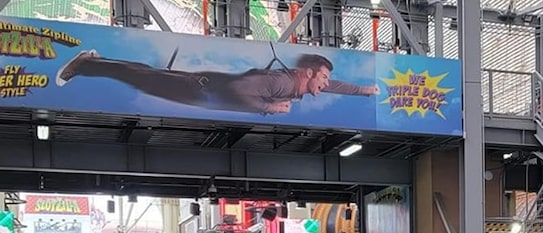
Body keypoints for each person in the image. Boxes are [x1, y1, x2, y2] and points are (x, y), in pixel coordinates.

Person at [55, 51, 379, 116]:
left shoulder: (296, 83)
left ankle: (94, 61)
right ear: (307, 72)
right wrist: (268, 108)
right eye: (322, 77)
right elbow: (240, 92)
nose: (326, 83)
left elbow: (334, 85)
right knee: (142, 78)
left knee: (144, 75)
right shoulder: (280, 82)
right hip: (200, 90)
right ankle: (89, 64)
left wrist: (365, 91)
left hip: (202, 90)